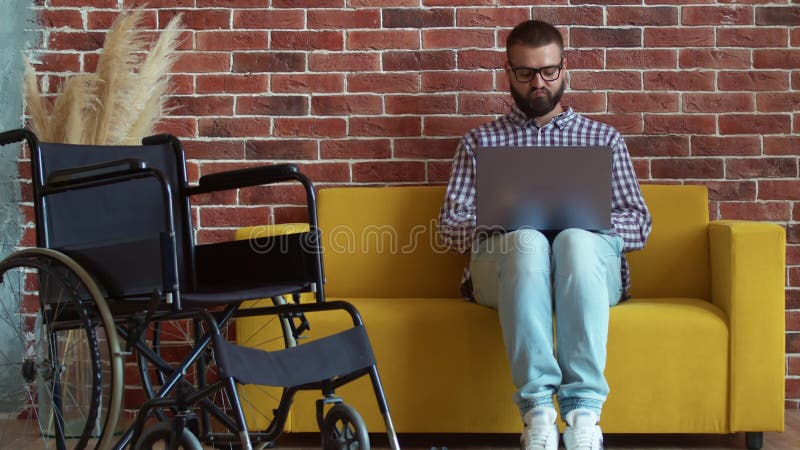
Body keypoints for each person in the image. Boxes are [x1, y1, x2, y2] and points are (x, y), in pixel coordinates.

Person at [437, 20, 652, 450]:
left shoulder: (603, 139)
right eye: (526, 72)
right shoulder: (480, 141)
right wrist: (502, 217)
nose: (539, 82)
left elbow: (639, 223)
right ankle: (537, 413)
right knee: (528, 241)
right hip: (509, 268)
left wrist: (590, 221)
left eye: (549, 71)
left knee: (573, 239)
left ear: (565, 69)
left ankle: (584, 414)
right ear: (508, 73)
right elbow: (448, 229)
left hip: (585, 267)